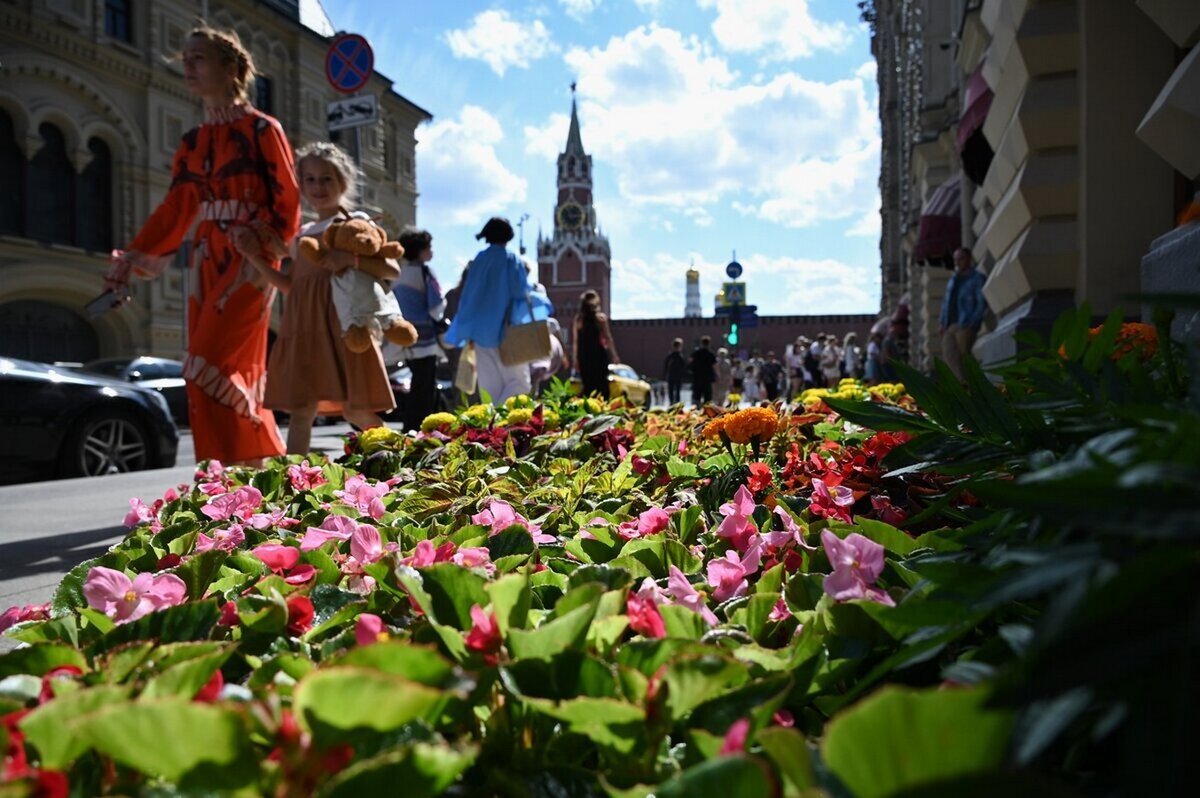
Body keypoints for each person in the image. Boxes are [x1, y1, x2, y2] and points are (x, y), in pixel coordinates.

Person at [104, 25, 299, 467]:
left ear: (230, 68)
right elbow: (178, 206)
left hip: (250, 259)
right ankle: (237, 477)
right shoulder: (192, 140)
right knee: (204, 369)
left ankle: (240, 471)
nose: (187, 66)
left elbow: (287, 198)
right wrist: (131, 258)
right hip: (206, 256)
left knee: (205, 364)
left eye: (199, 58)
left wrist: (266, 249)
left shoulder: (262, 129)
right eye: (186, 58)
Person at [245, 142, 396, 455]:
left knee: (354, 409)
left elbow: (391, 269)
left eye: (326, 178)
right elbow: (292, 286)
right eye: (310, 179)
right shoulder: (303, 233)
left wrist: (350, 260)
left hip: (341, 324)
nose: (318, 186)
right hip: (304, 328)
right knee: (301, 410)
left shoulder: (355, 221)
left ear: (342, 182)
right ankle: (294, 490)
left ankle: (401, 457)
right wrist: (256, 259)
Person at [444, 217, 550, 404]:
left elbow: (468, 298)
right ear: (508, 235)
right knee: (519, 383)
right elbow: (520, 291)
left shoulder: (479, 259)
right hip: (508, 332)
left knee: (488, 388)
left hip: (479, 334)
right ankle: (505, 422)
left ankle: (493, 425)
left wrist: (464, 330)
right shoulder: (511, 258)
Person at [390, 226, 447, 432]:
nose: (431, 252)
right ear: (422, 250)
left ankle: (410, 427)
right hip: (426, 338)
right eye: (429, 247)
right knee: (426, 387)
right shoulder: (425, 272)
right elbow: (436, 305)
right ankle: (422, 429)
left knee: (416, 385)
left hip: (405, 337)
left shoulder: (398, 274)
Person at [939, 247, 987, 380]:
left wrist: (973, 322)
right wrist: (942, 323)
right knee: (949, 355)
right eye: (955, 260)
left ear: (969, 259)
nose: (957, 262)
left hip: (966, 323)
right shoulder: (953, 280)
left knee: (964, 356)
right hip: (951, 325)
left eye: (961, 259)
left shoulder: (977, 279)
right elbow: (946, 303)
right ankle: (961, 384)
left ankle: (973, 385)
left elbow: (981, 302)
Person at [574, 289, 618, 400]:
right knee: (602, 386)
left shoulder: (579, 320)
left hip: (584, 356)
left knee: (588, 386)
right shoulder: (600, 319)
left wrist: (575, 359)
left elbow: (575, 341)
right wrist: (614, 355)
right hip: (598, 355)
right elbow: (608, 338)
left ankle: (587, 412)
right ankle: (602, 411)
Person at [689, 336, 717, 406]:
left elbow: (690, 363)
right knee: (707, 398)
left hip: (697, 378)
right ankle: (706, 412)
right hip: (707, 378)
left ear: (701, 343)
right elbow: (715, 366)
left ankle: (696, 412)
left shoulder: (696, 353)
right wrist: (716, 375)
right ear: (709, 344)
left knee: (696, 397)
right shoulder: (711, 354)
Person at [663, 338, 687, 405]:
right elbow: (684, 367)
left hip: (671, 376)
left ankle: (672, 403)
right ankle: (676, 403)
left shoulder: (670, 356)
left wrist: (664, 375)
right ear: (679, 346)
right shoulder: (680, 356)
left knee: (671, 391)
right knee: (677, 391)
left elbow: (666, 367)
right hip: (677, 376)